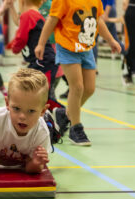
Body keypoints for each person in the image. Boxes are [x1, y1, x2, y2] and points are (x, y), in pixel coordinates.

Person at [35, 0, 121, 146]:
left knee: (89, 88)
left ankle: (64, 113)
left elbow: (98, 20)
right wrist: (41, 43)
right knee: (77, 87)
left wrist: (111, 40)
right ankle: (76, 128)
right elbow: (51, 20)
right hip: (67, 48)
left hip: (86, 49)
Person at [9, 0, 64, 113]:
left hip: (43, 61)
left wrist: (15, 47)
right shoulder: (35, 14)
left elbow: (21, 38)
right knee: (40, 92)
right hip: (42, 61)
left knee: (39, 93)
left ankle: (62, 113)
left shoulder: (28, 15)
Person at [122, 0, 135, 85]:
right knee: (132, 43)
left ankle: (131, 71)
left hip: (131, 11)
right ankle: (130, 71)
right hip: (132, 10)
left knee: (132, 43)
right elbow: (124, 3)